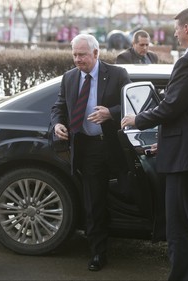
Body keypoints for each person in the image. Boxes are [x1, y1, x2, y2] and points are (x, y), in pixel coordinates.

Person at [121, 7, 188, 281]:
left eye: (177, 28)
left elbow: (171, 108)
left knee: (180, 227)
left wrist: (136, 119)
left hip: (186, 159)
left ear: (187, 29)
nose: (175, 33)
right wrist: (164, 145)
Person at [50, 34, 131, 271]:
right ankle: (98, 253)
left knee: (129, 193)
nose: (77, 59)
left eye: (82, 55)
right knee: (93, 202)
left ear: (96, 53)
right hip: (88, 147)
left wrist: (110, 112)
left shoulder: (117, 74)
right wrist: (58, 124)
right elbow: (59, 106)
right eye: (74, 54)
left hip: (115, 146)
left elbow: (133, 105)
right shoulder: (69, 78)